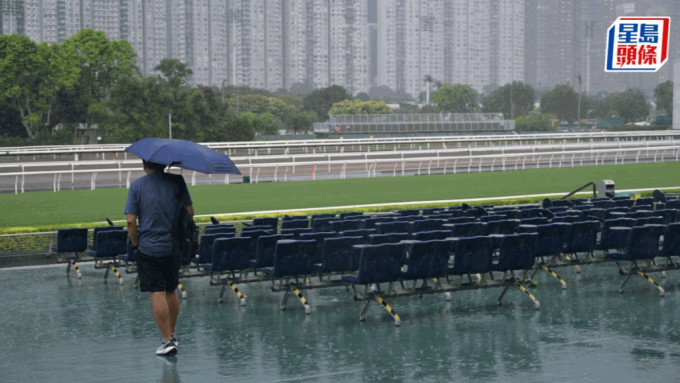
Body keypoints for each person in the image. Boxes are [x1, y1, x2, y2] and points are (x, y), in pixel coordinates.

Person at [125, 160, 194, 356]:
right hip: (173, 246)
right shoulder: (177, 181)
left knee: (157, 290)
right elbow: (190, 212)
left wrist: (136, 244)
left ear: (144, 164)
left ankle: (167, 340)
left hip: (149, 248)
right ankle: (171, 335)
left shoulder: (137, 186)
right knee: (171, 289)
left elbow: (131, 221)